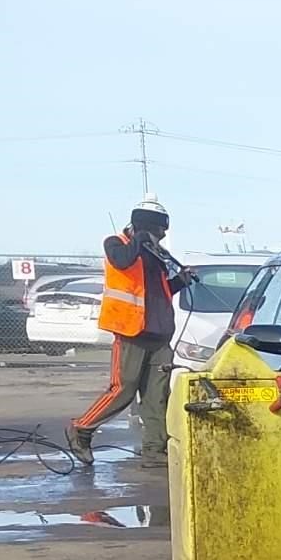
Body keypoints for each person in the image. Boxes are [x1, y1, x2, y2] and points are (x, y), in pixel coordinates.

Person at [68, 197, 194, 465]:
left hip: (159, 337)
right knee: (123, 390)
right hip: (130, 333)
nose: (162, 236)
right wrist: (141, 239)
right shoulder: (118, 244)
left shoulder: (155, 254)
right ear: (145, 227)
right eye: (159, 231)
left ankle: (154, 450)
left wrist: (180, 282)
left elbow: (158, 293)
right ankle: (81, 429)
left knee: (157, 397)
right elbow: (123, 262)